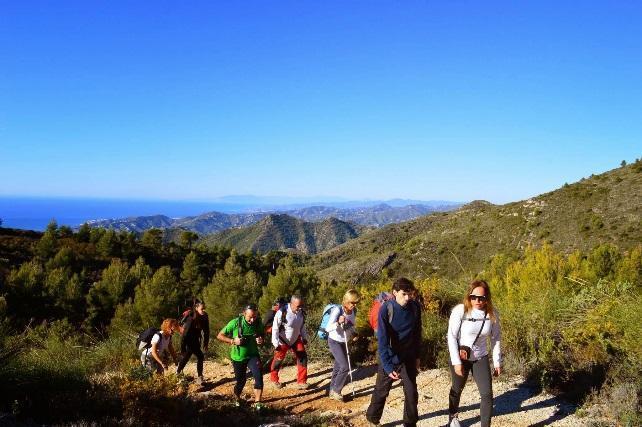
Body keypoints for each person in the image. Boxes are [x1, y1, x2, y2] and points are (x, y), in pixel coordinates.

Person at [366, 278, 422, 427]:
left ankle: (410, 424)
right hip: (391, 357)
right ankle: (372, 418)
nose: (407, 298)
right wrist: (388, 366)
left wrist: (417, 356)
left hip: (408, 357)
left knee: (411, 393)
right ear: (395, 293)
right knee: (382, 391)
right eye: (404, 294)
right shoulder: (387, 309)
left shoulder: (415, 307)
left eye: (410, 294)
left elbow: (417, 334)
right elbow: (382, 341)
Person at [447, 280, 502, 427]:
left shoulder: (492, 314)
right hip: (461, 356)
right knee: (457, 389)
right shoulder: (461, 310)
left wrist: (497, 362)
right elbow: (451, 336)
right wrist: (456, 362)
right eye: (474, 297)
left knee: (487, 394)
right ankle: (453, 418)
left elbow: (496, 339)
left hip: (480, 357)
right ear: (469, 296)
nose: (477, 301)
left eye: (481, 298)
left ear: (487, 298)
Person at [216, 304, 266, 410]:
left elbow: (262, 334)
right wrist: (233, 341)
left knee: (259, 377)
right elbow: (220, 335)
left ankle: (258, 403)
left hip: (253, 355)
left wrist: (261, 340)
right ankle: (237, 398)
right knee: (241, 381)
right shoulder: (235, 323)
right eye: (250, 317)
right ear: (244, 314)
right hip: (238, 357)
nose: (252, 320)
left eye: (255, 317)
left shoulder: (258, 322)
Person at [325, 289, 361, 401]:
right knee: (345, 367)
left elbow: (351, 326)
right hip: (334, 341)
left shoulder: (354, 311)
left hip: (344, 341)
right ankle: (336, 391)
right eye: (352, 302)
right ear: (346, 300)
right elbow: (328, 328)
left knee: (337, 367)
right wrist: (338, 322)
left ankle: (332, 390)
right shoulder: (337, 310)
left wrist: (354, 333)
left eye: (355, 303)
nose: (353, 305)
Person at [270, 294, 309, 389]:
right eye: (297, 306)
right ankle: (274, 380)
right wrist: (275, 343)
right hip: (282, 340)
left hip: (296, 339)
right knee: (278, 361)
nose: (299, 308)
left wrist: (304, 337)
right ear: (291, 303)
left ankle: (302, 381)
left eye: (301, 306)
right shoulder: (282, 312)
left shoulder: (301, 312)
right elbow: (275, 328)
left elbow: (302, 326)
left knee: (302, 358)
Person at [176, 300, 210, 384]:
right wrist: (182, 348)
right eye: (202, 309)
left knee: (187, 356)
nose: (203, 310)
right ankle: (199, 377)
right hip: (188, 339)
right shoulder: (192, 317)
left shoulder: (205, 316)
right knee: (200, 356)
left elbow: (207, 331)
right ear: (196, 308)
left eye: (204, 309)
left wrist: (206, 343)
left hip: (196, 339)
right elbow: (184, 334)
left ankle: (178, 373)